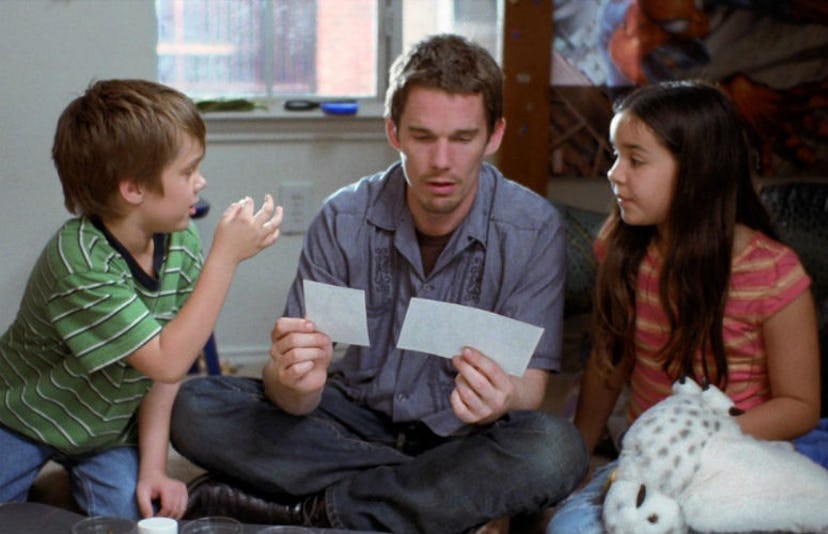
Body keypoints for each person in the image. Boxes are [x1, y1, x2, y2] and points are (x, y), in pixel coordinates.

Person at [170, 34, 589, 533]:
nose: (441, 161)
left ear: (494, 136)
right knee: (194, 408)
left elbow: (531, 389)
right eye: (422, 136)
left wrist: (502, 399)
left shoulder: (534, 227)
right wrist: (291, 381)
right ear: (393, 131)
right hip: (352, 418)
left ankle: (315, 512)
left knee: (556, 451)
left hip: (465, 437)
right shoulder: (343, 217)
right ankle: (431, 503)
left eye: (462, 138)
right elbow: (294, 398)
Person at [0, 79, 283, 521]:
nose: (201, 181)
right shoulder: (79, 261)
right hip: (21, 417)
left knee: (131, 518)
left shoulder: (181, 239)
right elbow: (166, 361)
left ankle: (59, 488)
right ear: (133, 189)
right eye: (188, 172)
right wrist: (225, 259)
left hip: (107, 432)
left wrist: (154, 468)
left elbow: (173, 364)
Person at [546, 79, 821, 533]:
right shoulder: (620, 249)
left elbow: (800, 405)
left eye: (635, 159)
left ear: (698, 171)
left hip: (742, 459)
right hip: (646, 466)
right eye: (616, 156)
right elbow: (607, 364)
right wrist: (574, 463)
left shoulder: (773, 273)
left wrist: (702, 444)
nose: (615, 173)